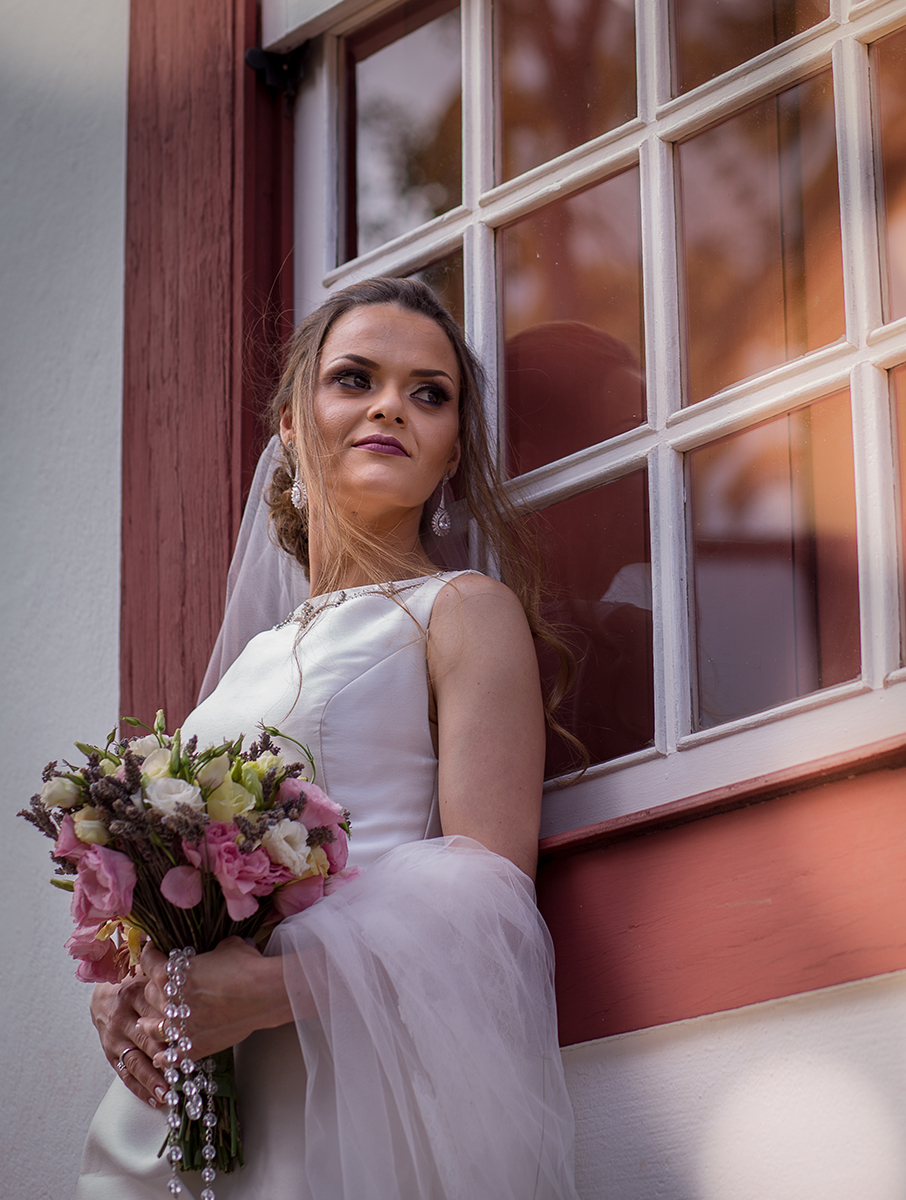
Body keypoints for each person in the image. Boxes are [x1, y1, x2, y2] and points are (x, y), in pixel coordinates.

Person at [77, 277, 579, 1199]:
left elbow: (489, 891)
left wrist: (271, 993)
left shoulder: (459, 611)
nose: (392, 403)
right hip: (183, 1101)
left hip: (341, 1084)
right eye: (356, 378)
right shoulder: (250, 658)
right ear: (293, 424)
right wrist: (132, 989)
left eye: (430, 393)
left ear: (451, 454)